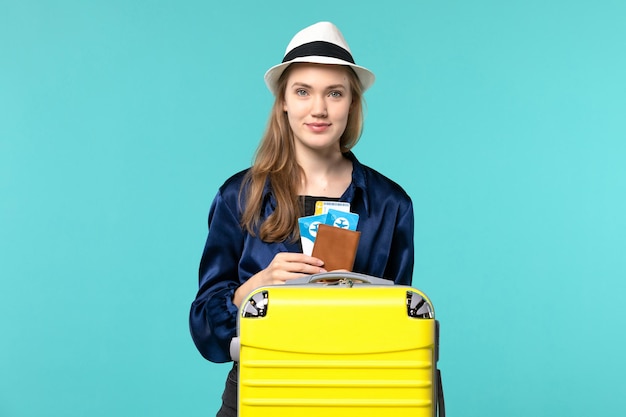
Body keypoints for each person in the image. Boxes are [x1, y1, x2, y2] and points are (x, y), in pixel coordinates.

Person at [189, 21, 415, 417]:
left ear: (352, 103)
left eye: (334, 93)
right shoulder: (238, 197)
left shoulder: (390, 204)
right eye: (303, 91)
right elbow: (203, 323)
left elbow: (398, 323)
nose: (319, 109)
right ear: (284, 102)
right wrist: (253, 288)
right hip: (260, 391)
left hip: (358, 396)